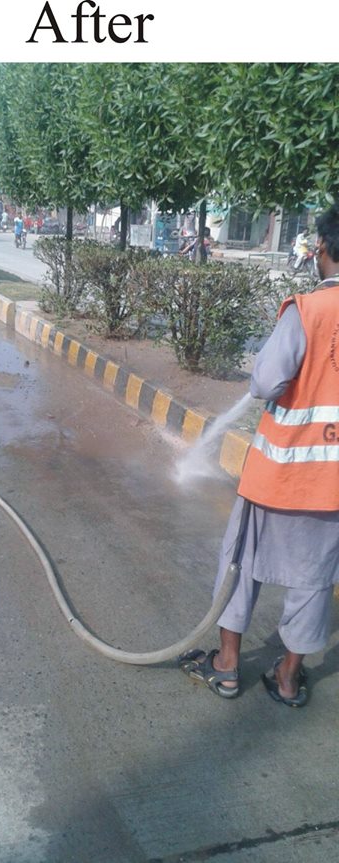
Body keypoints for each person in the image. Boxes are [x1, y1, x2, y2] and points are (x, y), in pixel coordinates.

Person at [179, 202, 339, 708]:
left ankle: (227, 667)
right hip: (333, 492)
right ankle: (288, 680)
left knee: (240, 564)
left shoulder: (308, 310)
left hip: (279, 477)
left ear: (323, 250)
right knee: (314, 581)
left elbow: (267, 381)